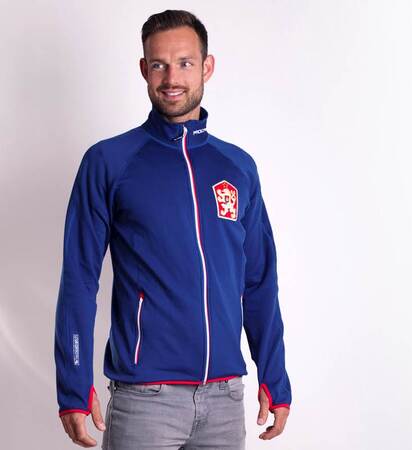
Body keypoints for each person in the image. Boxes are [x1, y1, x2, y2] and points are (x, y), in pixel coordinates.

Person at [54, 9, 292, 449]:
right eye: (159, 65)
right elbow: (79, 280)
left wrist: (273, 376)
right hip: (145, 399)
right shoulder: (109, 161)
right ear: (144, 69)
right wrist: (73, 385)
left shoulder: (237, 167)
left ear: (207, 67)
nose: (171, 78)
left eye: (184, 63)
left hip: (225, 397)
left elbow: (259, 280)